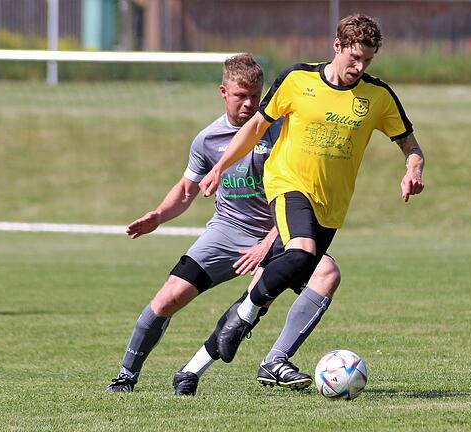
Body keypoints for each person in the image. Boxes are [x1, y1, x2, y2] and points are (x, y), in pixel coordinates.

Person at [198, 14, 425, 389]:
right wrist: (221, 166)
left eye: (367, 60)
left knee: (307, 274)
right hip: (288, 185)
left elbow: (410, 145)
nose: (359, 67)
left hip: (331, 207)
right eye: (353, 57)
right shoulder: (297, 79)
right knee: (301, 253)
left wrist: (413, 168)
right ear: (336, 46)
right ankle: (242, 314)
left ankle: (266, 360)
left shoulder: (378, 96)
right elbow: (255, 127)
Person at [105, 53, 341, 395]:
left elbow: (296, 195)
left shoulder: (280, 134)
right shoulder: (208, 139)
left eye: (255, 97)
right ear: (223, 92)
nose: (248, 104)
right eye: (240, 96)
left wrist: (269, 242)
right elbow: (187, 190)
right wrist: (158, 215)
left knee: (326, 274)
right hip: (226, 231)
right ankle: (126, 376)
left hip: (279, 234)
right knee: (167, 298)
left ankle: (273, 361)